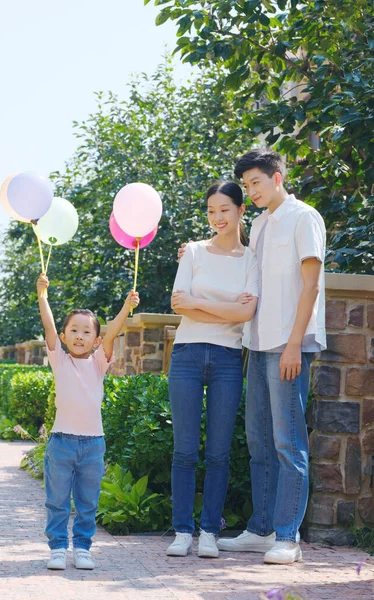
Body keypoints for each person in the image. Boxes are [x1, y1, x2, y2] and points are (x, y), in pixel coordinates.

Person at [179, 150, 326, 565]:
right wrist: (191, 253)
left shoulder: (304, 218)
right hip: (257, 345)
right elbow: (239, 264)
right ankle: (262, 529)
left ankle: (288, 537)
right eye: (246, 186)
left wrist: (296, 343)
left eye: (256, 183)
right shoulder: (260, 225)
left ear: (277, 177)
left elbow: (311, 286)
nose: (251, 191)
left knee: (288, 442)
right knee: (259, 442)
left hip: (288, 344)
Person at [167, 181, 258, 559]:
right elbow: (178, 305)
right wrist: (224, 307)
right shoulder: (193, 251)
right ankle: (182, 532)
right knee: (185, 451)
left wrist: (199, 302)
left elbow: (245, 313)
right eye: (210, 210)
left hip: (226, 359)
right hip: (187, 354)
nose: (217, 217)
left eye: (224, 209)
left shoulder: (252, 259)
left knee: (219, 452)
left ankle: (208, 531)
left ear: (240, 210)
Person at [37, 273, 139, 571]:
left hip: (93, 444)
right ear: (65, 336)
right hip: (61, 443)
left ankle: (82, 547)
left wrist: (125, 307)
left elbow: (112, 334)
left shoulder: (98, 362)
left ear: (95, 340)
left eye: (85, 332)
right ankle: (57, 548)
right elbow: (48, 326)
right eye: (73, 330)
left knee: (87, 503)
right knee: (57, 501)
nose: (78, 336)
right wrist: (42, 296)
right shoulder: (60, 359)